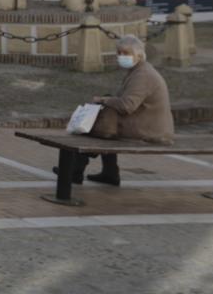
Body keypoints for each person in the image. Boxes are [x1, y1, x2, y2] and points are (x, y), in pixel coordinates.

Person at [59, 35, 174, 186]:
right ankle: (109, 173)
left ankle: (75, 171)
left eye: (126, 54)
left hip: (149, 130)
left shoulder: (143, 75)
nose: (121, 57)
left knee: (99, 128)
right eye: (119, 53)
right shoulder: (138, 71)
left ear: (138, 54)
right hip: (146, 123)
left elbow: (127, 106)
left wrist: (104, 100)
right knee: (106, 126)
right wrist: (107, 100)